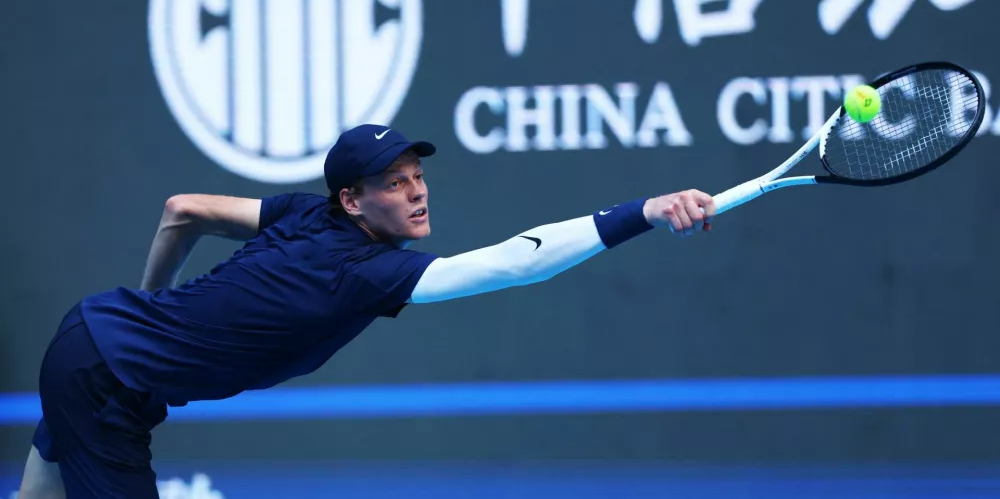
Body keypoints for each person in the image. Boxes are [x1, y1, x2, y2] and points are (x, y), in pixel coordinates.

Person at [17, 123, 716, 499]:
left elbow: (185, 212)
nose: (416, 194)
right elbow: (516, 260)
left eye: (418, 178)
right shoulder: (370, 271)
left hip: (93, 337)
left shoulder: (300, 214)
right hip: (107, 383)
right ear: (352, 200)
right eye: (393, 183)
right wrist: (645, 212)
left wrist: (150, 308)